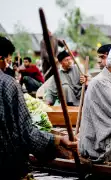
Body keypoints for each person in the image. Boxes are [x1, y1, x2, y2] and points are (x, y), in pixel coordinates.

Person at [0, 36, 77, 180]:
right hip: (6, 166)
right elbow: (26, 132)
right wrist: (58, 140)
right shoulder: (8, 84)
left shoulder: (77, 72)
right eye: (8, 60)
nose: (8, 64)